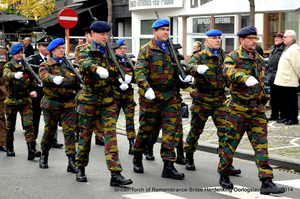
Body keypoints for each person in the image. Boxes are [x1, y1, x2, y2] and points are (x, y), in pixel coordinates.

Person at [218, 26, 285, 195]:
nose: (254, 41)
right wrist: (244, 77)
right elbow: (227, 71)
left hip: (256, 109)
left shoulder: (258, 57)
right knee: (230, 143)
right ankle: (224, 173)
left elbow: (262, 79)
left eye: (255, 39)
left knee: (261, 145)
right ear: (241, 40)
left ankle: (266, 181)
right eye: (250, 39)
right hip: (238, 109)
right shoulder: (233, 56)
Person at [132, 18, 193, 179]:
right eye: (162, 29)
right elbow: (139, 72)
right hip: (151, 98)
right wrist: (146, 89)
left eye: (167, 29)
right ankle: (137, 156)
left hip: (170, 97)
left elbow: (178, 72)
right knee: (146, 131)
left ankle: (168, 165)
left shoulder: (172, 49)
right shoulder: (146, 50)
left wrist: (185, 79)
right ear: (155, 31)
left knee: (170, 131)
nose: (166, 32)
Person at [75, 21, 133, 186]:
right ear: (93, 34)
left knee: (111, 136)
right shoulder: (86, 50)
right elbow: (85, 64)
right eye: (102, 34)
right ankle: (80, 167)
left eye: (106, 34)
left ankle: (115, 174)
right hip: (89, 101)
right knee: (85, 137)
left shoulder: (110, 52)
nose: (105, 37)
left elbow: (115, 70)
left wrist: (123, 77)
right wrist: (96, 68)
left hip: (108, 101)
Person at [183, 29, 240, 175]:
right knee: (196, 130)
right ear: (206, 41)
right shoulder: (200, 56)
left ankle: (226, 163)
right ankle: (189, 156)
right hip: (202, 99)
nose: (217, 40)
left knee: (225, 132)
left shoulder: (224, 56)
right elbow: (189, 67)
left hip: (220, 99)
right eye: (214, 38)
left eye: (219, 38)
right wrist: (197, 69)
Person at [38, 38, 80, 174]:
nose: (62, 50)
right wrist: (52, 78)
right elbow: (44, 76)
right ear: (51, 51)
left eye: (63, 48)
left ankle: (71, 162)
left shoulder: (68, 65)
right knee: (49, 133)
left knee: (70, 133)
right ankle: (44, 155)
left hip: (68, 104)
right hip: (52, 104)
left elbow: (76, 80)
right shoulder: (45, 65)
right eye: (59, 48)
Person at [3, 43, 41, 159]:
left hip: (25, 100)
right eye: (17, 53)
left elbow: (32, 81)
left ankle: (31, 150)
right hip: (12, 101)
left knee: (29, 125)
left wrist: (35, 87)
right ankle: (9, 147)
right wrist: (14, 75)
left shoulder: (27, 66)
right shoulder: (8, 65)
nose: (20, 55)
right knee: (10, 126)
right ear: (12, 54)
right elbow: (6, 75)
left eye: (21, 53)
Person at [73, 27, 104, 145]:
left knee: (97, 111)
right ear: (88, 36)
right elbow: (78, 63)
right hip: (83, 79)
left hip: (97, 84)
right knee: (80, 110)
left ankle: (99, 135)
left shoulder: (102, 49)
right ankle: (77, 130)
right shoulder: (81, 49)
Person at [114, 39, 136, 154]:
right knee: (112, 121)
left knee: (130, 120)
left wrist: (131, 79)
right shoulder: (112, 61)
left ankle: (132, 144)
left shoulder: (129, 61)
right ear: (115, 50)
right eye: (120, 49)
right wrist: (117, 81)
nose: (123, 51)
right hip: (116, 96)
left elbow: (136, 76)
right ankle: (111, 144)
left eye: (124, 48)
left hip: (128, 95)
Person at [274, 30, 300, 125]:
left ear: (291, 38)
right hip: (283, 80)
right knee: (285, 100)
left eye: (285, 37)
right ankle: (286, 116)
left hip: (289, 80)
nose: (283, 38)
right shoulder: (288, 48)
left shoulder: (294, 49)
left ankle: (293, 118)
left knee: (291, 101)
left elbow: (298, 65)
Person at [266, 31, 286, 122]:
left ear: (283, 39)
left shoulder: (283, 49)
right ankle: (274, 115)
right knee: (273, 98)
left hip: (279, 76)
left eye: (278, 38)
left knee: (280, 98)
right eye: (275, 37)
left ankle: (282, 115)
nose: (276, 39)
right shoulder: (274, 48)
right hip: (271, 76)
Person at [0, 46, 8, 152]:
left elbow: (4, 69)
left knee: (0, 117)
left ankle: (2, 142)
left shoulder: (2, 52)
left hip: (0, 90)